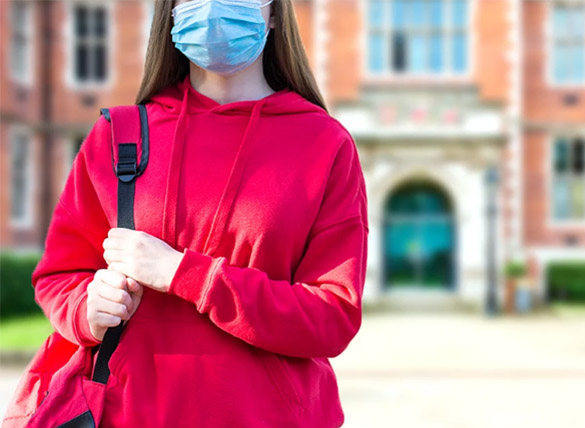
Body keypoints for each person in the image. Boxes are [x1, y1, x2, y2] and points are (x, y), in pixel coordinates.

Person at [31, 0, 368, 426]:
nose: (213, 7)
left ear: (276, 13)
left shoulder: (325, 145)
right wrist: (86, 309)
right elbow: (59, 275)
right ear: (170, 11)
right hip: (127, 415)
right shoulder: (119, 135)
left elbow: (333, 316)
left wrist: (185, 274)